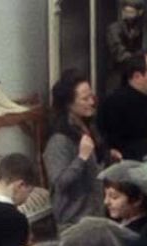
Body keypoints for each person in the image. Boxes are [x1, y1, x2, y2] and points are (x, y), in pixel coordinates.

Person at [44, 69, 105, 232]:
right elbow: (60, 184)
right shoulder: (58, 139)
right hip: (74, 222)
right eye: (85, 99)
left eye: (91, 96)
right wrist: (82, 157)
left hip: (95, 213)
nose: (92, 102)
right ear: (69, 103)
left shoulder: (89, 125)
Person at [105, 0, 147, 92]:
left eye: (131, 12)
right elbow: (118, 51)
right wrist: (135, 60)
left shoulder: (143, 29)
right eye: (126, 11)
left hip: (136, 74)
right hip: (118, 73)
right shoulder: (114, 28)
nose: (128, 15)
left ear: (139, 12)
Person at [101, 160, 147, 233]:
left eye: (114, 197)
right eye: (105, 195)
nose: (106, 202)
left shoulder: (137, 233)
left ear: (137, 199)